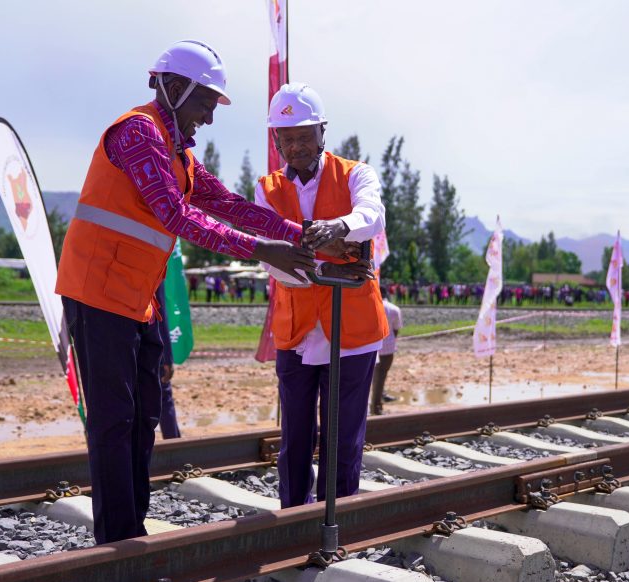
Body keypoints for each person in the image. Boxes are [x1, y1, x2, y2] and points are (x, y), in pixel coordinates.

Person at [55, 40, 316, 544]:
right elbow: (177, 214)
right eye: (205, 104)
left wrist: (298, 233)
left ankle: (132, 531)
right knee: (114, 421)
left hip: (136, 297)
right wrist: (263, 251)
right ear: (174, 89)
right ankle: (116, 543)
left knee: (144, 416)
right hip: (96, 292)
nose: (209, 119)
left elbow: (230, 205)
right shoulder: (138, 133)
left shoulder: (180, 154)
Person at [255, 82, 388, 508]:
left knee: (343, 437)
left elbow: (372, 216)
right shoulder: (267, 188)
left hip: (353, 331)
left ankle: (339, 517)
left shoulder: (356, 174)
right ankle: (294, 519)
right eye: (286, 138)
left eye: (302, 136)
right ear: (276, 140)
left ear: (322, 133)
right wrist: (333, 261)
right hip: (295, 331)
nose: (294, 147)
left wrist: (339, 229)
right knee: (293, 437)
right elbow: (271, 259)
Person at [370, 286, 402, 415]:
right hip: (387, 348)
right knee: (381, 376)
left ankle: (375, 402)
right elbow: (396, 329)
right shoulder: (394, 309)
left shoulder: (370, 306)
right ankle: (376, 406)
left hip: (370, 347)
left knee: (371, 376)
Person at [156, 283, 180, 439]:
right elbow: (160, 311)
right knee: (164, 397)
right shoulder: (153, 264)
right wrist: (167, 357)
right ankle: (173, 445)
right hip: (149, 344)